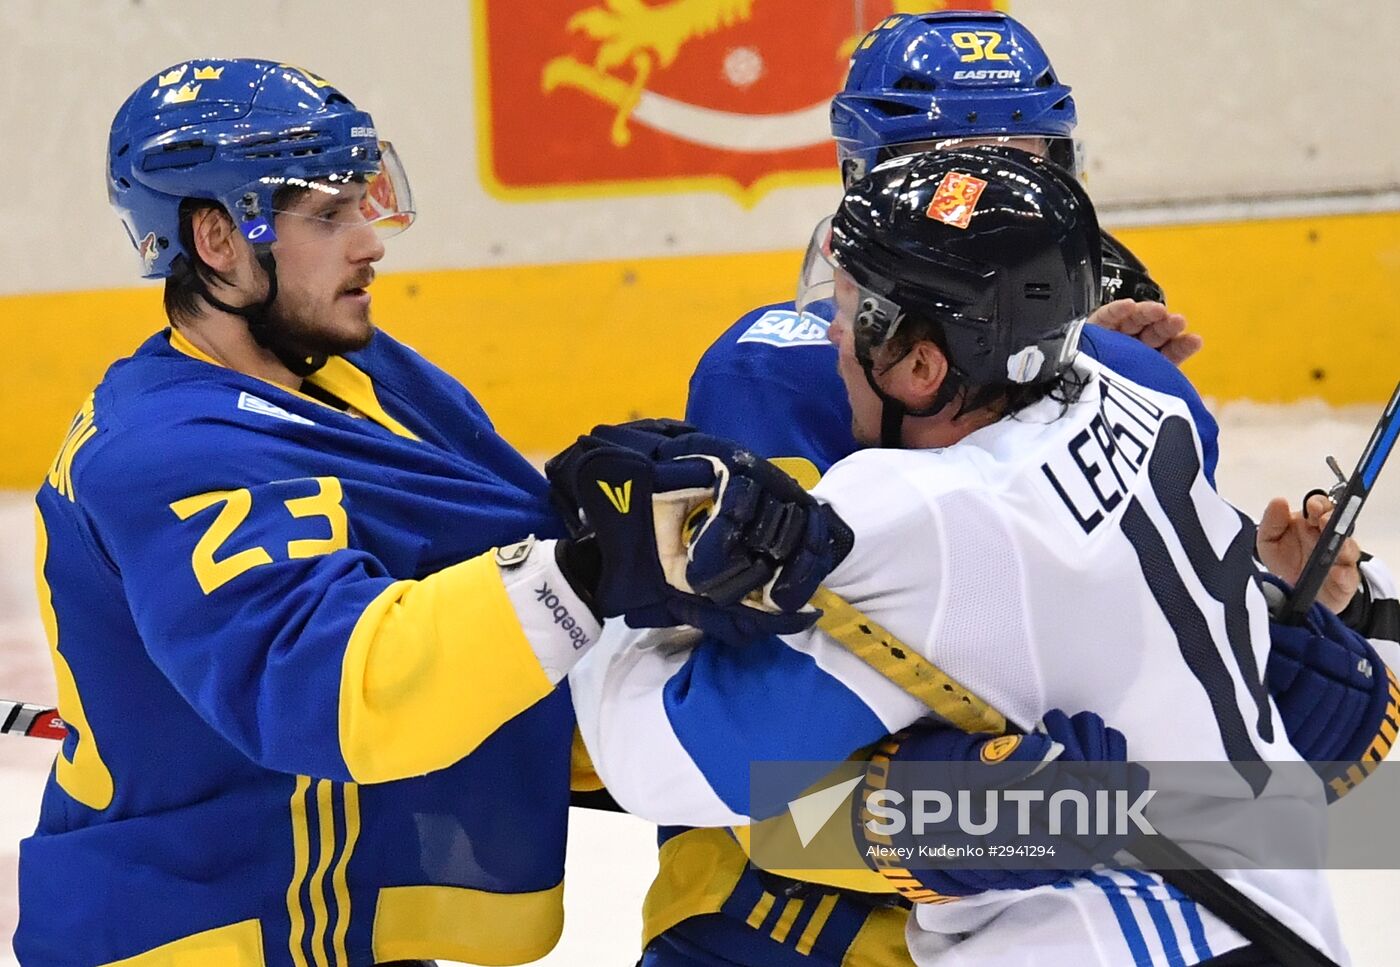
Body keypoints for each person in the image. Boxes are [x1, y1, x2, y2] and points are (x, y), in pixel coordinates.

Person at [15, 59, 822, 967]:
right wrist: (591, 571)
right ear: (215, 239)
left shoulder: (351, 372)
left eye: (366, 202)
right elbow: (337, 686)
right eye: (327, 215)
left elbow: (496, 545)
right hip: (195, 937)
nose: (371, 242)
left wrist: (615, 527)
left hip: (322, 918)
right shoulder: (171, 453)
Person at [653, 10, 1397, 964]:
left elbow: (1188, 734)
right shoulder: (773, 374)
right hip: (788, 910)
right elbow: (742, 765)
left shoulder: (1130, 373)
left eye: (1028, 155)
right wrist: (987, 823)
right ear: (861, 177)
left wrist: (1264, 604)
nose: (999, 188)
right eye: (959, 160)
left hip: (1053, 904)